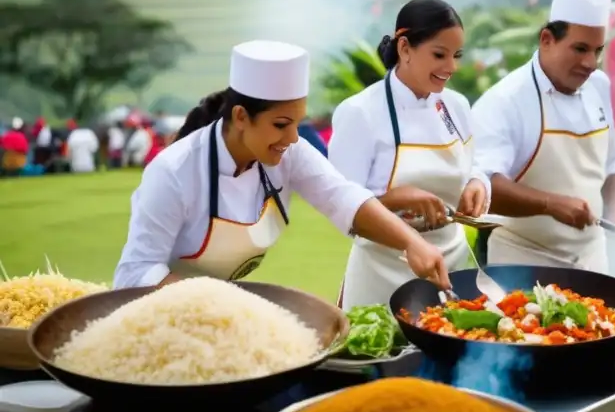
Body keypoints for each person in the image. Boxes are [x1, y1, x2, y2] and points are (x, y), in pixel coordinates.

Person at [113, 40, 449, 291]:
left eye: (297, 124)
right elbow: (135, 273)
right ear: (241, 117)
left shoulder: (290, 153)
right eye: (280, 124)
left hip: (222, 311)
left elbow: (342, 197)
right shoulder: (174, 171)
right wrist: (215, 305)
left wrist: (412, 243)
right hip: (161, 316)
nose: (292, 138)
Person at [330, 0, 489, 310]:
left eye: (456, 56)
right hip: (383, 273)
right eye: (439, 55)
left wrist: (477, 184)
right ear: (405, 49)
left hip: (453, 263)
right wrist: (399, 197)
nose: (451, 67)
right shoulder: (359, 113)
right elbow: (341, 206)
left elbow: (475, 164)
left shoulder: (456, 106)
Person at [472, 0, 615, 271]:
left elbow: (614, 163)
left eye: (597, 51)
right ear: (547, 39)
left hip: (593, 259)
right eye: (580, 49)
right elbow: (483, 185)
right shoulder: (505, 100)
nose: (590, 64)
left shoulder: (599, 86)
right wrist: (550, 204)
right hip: (522, 262)